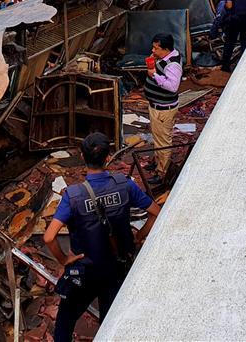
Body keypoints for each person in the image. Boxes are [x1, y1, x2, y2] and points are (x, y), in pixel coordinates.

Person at [44, 132, 161, 342]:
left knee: (65, 322)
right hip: (117, 267)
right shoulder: (125, 185)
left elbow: (49, 237)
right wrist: (139, 236)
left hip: (85, 270)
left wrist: (64, 259)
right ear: (108, 157)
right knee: (110, 322)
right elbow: (155, 213)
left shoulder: (73, 195)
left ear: (82, 156)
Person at [143, 33, 182, 186]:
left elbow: (173, 87)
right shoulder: (166, 57)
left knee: (163, 142)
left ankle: (162, 173)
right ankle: (157, 162)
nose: (153, 50)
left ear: (166, 49)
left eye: (156, 48)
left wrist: (154, 75)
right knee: (158, 137)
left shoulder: (173, 65)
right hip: (156, 106)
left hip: (163, 109)